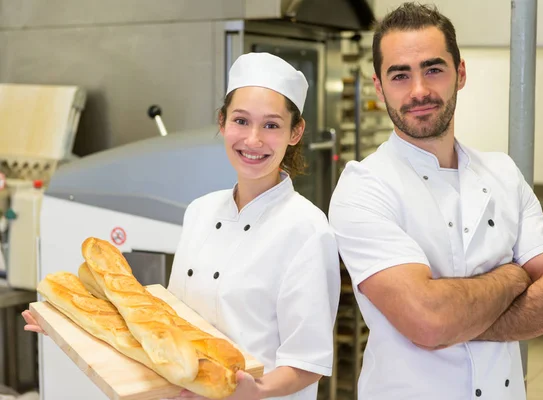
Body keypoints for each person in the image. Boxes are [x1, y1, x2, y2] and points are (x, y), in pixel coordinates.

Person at [23, 52, 341, 400]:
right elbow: (167, 325)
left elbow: (307, 362)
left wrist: (252, 391)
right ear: (222, 123)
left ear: (295, 132)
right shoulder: (200, 211)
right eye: (241, 120)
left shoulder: (307, 229)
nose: (252, 140)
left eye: (271, 125)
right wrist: (71, 329)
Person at [328, 3, 543, 400]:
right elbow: (428, 321)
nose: (419, 91)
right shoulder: (365, 186)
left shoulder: (502, 173)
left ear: (460, 73)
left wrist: (455, 320)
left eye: (433, 69)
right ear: (379, 87)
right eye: (400, 75)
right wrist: (514, 277)